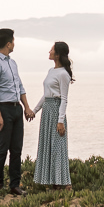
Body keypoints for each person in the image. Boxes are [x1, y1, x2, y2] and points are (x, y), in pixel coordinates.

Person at [0, 28, 33, 195]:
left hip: (16, 109)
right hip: (2, 109)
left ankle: (14, 185)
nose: (14, 43)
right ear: (8, 43)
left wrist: (26, 107)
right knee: (2, 148)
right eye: (13, 40)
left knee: (17, 149)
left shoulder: (12, 63)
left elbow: (20, 87)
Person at [33, 41, 74, 188]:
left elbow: (64, 98)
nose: (49, 51)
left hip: (56, 111)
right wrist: (35, 110)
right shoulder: (51, 71)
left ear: (57, 54)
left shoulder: (63, 74)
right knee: (47, 146)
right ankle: (52, 182)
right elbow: (46, 95)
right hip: (47, 111)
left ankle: (64, 183)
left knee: (58, 148)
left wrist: (60, 120)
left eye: (51, 49)